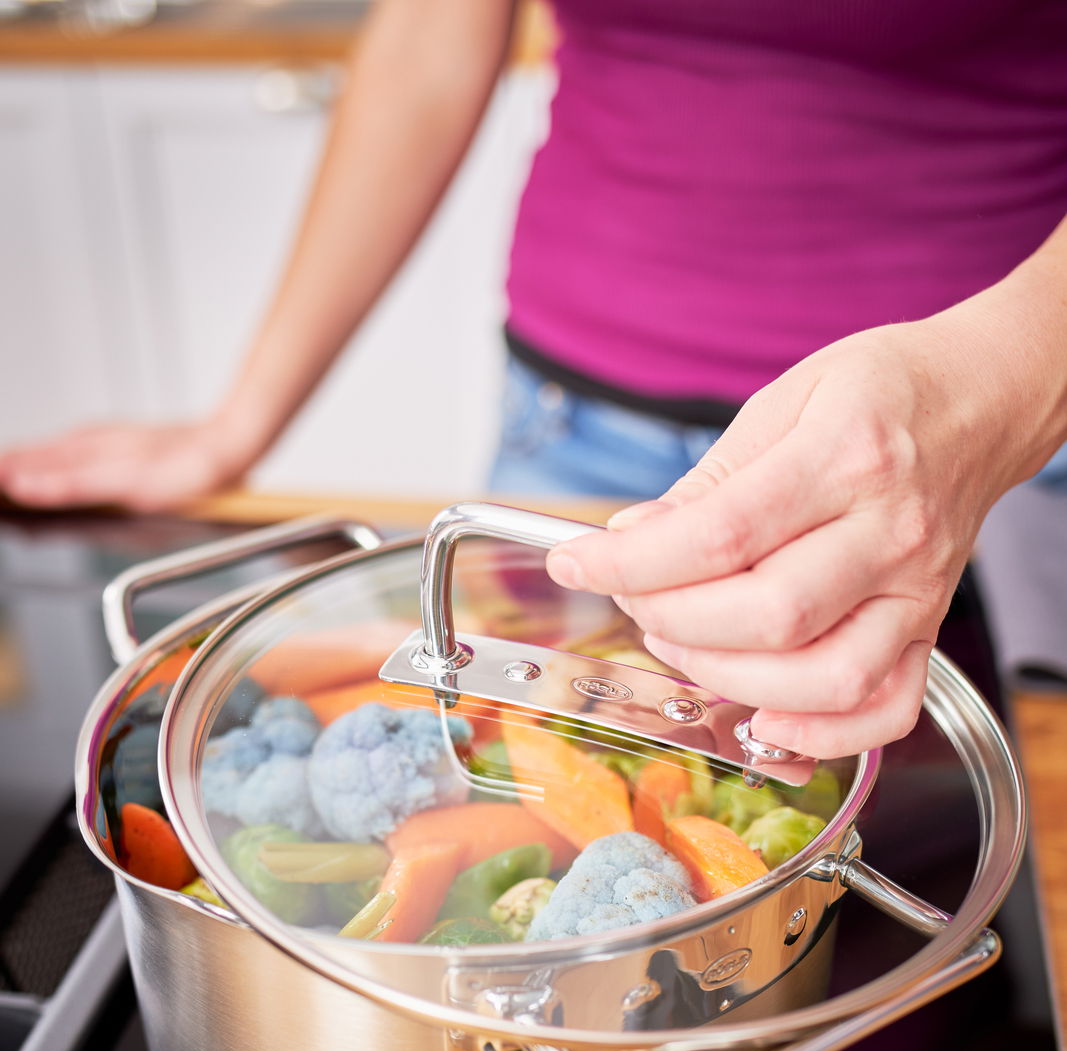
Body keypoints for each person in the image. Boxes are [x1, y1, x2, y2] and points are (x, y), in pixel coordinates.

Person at [1, 0, 1065, 756]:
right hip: (568, 431)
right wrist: (234, 424)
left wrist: (997, 389)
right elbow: (430, 31)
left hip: (990, 447)